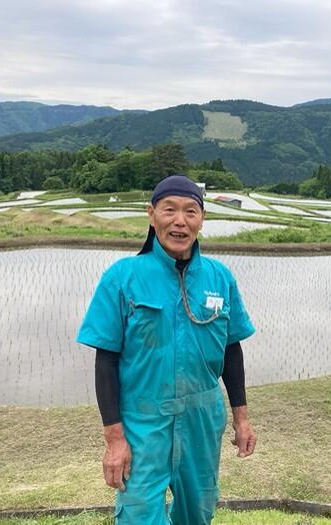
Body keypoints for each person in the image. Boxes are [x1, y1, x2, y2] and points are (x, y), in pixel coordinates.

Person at [77, 174, 256, 524]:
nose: (180, 221)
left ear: (202, 219)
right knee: (139, 515)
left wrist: (242, 419)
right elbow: (106, 362)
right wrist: (114, 439)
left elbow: (231, 352)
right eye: (169, 209)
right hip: (143, 423)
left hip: (202, 420)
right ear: (151, 214)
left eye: (191, 211)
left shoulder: (220, 278)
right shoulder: (122, 277)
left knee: (198, 514)